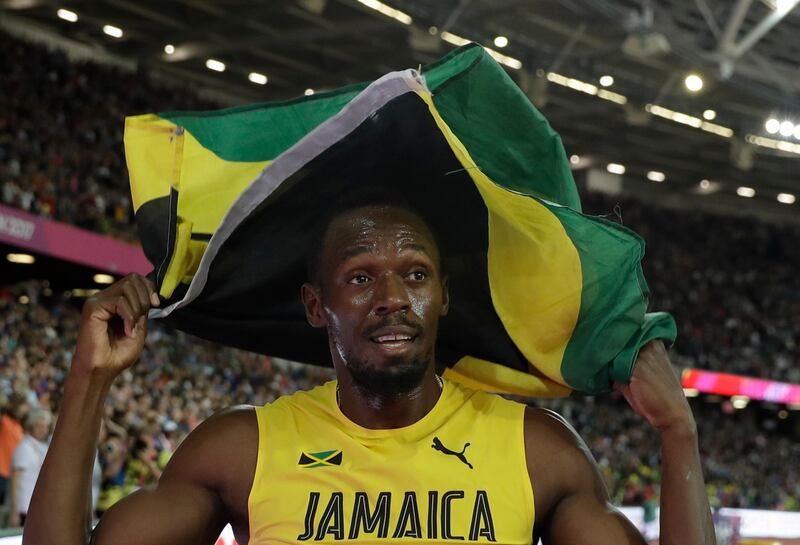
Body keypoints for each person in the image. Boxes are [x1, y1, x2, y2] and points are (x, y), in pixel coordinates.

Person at [24, 200, 716, 545]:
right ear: (315, 304)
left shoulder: (538, 450)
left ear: (442, 294)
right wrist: (90, 378)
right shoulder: (243, 449)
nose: (393, 296)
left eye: (415, 273)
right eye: (361, 276)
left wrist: (678, 433)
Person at [10, 408, 51, 528]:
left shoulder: (43, 447)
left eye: (45, 426)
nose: (42, 429)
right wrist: (14, 511)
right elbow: (15, 481)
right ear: (31, 426)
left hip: (38, 508)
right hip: (24, 508)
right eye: (38, 426)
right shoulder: (24, 447)